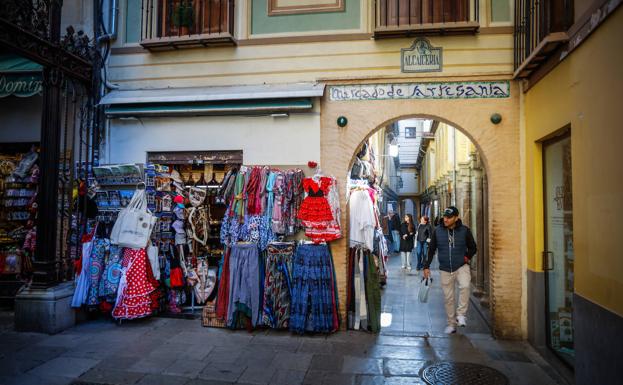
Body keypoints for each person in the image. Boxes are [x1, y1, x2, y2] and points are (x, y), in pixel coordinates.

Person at [423, 206, 477, 334]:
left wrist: (466, 258)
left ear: (456, 218)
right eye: (445, 217)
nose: (445, 219)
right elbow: (431, 249)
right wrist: (426, 266)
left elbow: (473, 247)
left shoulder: (464, 231)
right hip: (445, 268)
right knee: (448, 298)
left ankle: (461, 314)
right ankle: (451, 324)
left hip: (461, 266)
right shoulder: (437, 231)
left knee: (465, 286)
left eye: (449, 217)